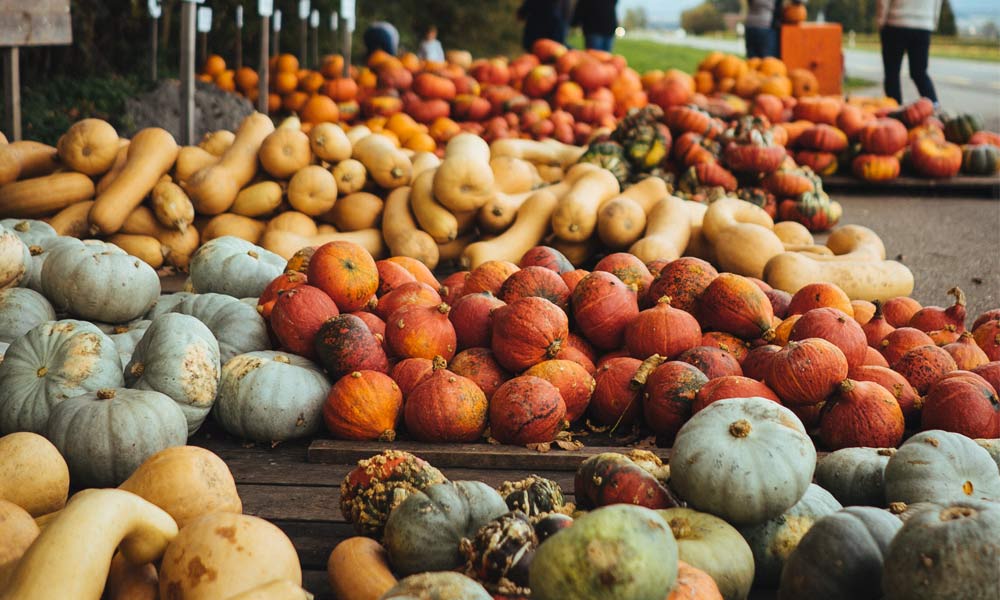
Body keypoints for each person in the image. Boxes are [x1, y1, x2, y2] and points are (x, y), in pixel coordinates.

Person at [877, 0, 941, 105]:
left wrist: (881, 21)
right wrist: (932, 22)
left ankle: (894, 112)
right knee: (919, 73)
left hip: (895, 22)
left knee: (892, 74)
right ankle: (934, 106)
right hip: (923, 25)